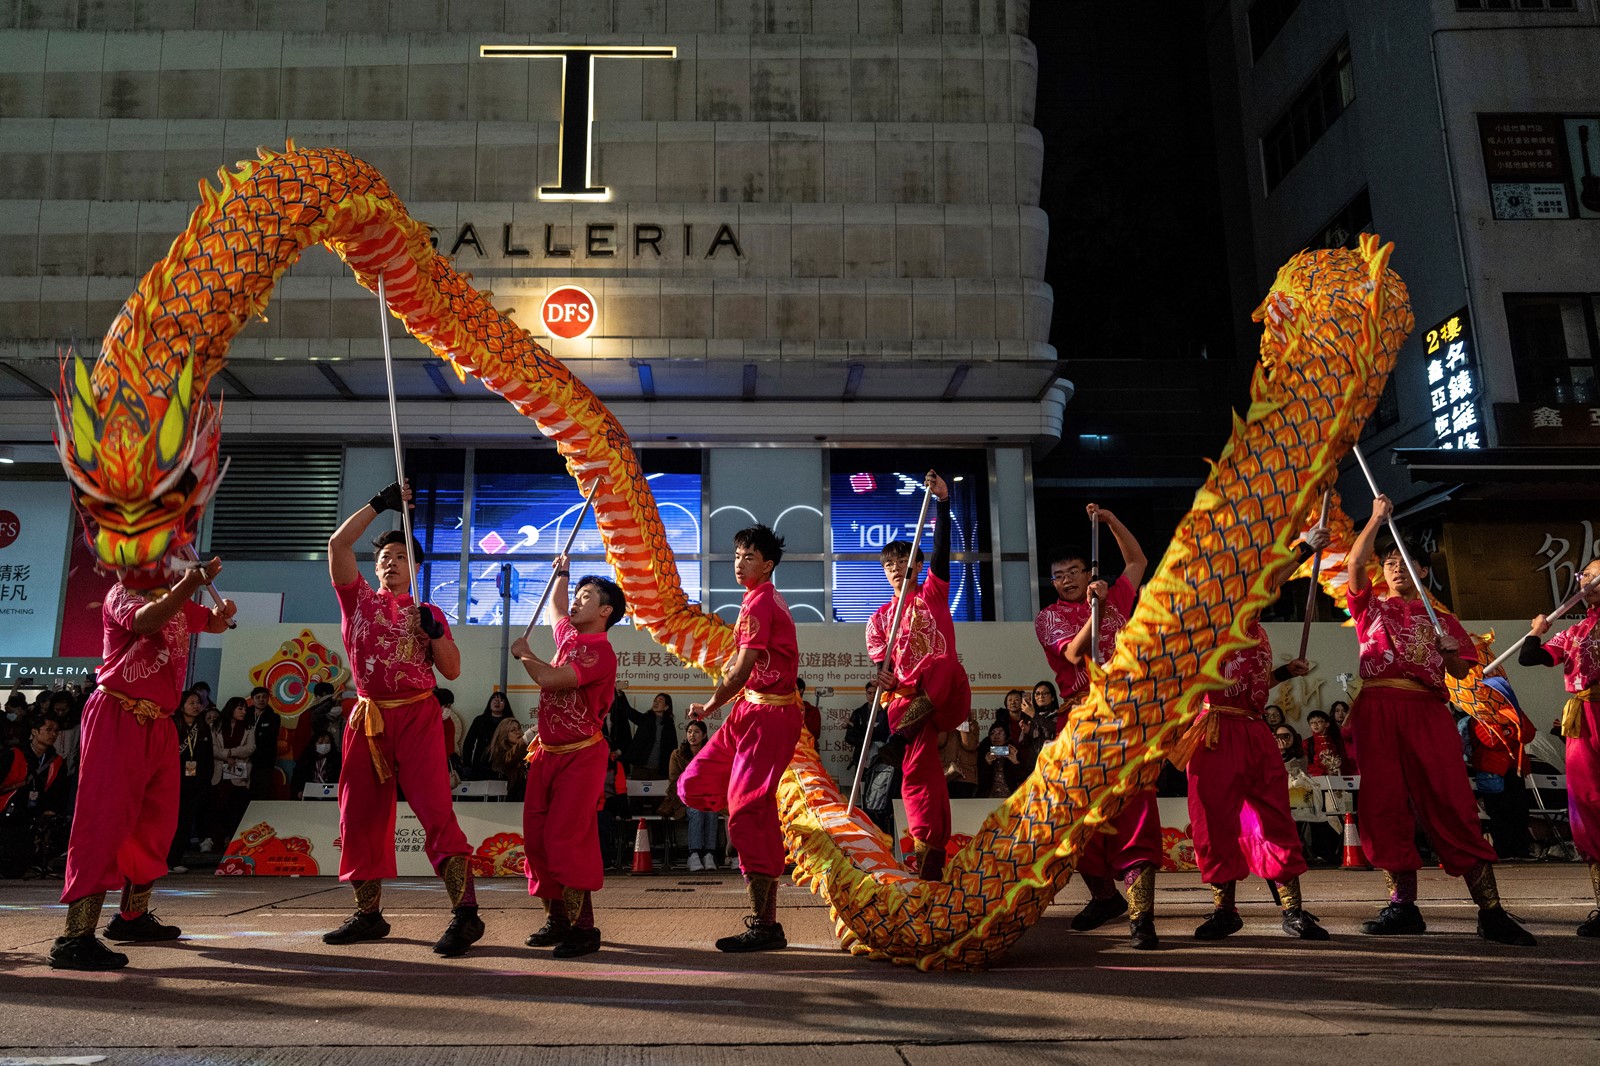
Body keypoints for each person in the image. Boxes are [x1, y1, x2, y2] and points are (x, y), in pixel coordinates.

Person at [1346, 495, 1532, 946]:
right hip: (1376, 709)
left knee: (1451, 802)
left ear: (1423, 572)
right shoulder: (1369, 607)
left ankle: (1491, 910)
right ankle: (1402, 907)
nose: (1394, 568)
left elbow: (1462, 672)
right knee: (1384, 805)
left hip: (1426, 711)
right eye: (1389, 562)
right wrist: (1374, 519)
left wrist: (1452, 658)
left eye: (1405, 562)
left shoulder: (1443, 619)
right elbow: (1354, 565)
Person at [49, 557, 235, 971]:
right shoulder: (122, 596)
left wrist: (223, 615)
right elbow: (148, 622)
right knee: (105, 821)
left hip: (159, 724)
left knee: (155, 823)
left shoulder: (177, 601)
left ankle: (131, 917)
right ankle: (75, 936)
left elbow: (213, 623)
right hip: (118, 714)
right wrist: (190, 584)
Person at [323, 480, 482, 957]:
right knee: (359, 815)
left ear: (416, 567)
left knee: (435, 811)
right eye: (385, 557)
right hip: (369, 719)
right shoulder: (358, 600)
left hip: (417, 716)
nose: (390, 563)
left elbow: (452, 669)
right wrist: (378, 503)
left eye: (400, 557)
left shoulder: (428, 610)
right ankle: (368, 915)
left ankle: (466, 914)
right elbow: (337, 543)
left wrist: (434, 634)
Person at [1037, 504, 1160, 949]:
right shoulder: (1048, 617)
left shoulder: (1116, 597)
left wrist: (1109, 522)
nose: (1066, 579)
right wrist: (1098, 607)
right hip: (1081, 719)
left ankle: (1141, 915)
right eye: (1058, 575)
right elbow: (1073, 655)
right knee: (1080, 815)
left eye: (1073, 571)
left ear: (1087, 570)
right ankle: (1104, 897)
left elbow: (1137, 561)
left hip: (1127, 716)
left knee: (1136, 809)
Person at [678, 525, 802, 952]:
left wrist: (710, 706)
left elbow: (741, 668)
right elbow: (737, 659)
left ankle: (766, 924)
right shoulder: (753, 600)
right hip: (749, 709)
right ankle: (754, 813)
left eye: (748, 557)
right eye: (736, 555)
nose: (738, 562)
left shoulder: (763, 601)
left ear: (767, 565)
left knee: (747, 814)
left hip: (770, 714)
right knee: (693, 783)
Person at [1173, 619, 1330, 942]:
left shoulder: (1259, 632)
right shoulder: (1202, 628)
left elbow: (1255, 685)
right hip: (1214, 731)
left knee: (1276, 819)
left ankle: (1293, 910)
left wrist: (1286, 672)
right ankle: (1224, 912)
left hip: (1255, 730)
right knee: (1213, 824)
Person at [509, 554, 624, 959]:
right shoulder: (571, 638)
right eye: (578, 596)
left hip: (581, 757)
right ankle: (557, 919)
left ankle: (583, 928)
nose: (576, 602)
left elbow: (553, 680)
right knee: (538, 840)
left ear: (605, 611)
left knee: (566, 838)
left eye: (586, 597)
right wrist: (563, 573)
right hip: (546, 754)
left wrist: (525, 654)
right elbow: (556, 606)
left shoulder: (599, 653)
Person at [867, 471, 972, 880]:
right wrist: (882, 679)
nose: (896, 570)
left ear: (918, 567)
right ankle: (931, 855)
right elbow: (884, 670)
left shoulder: (933, 592)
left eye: (903, 563)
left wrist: (944, 503)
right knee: (920, 778)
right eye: (889, 565)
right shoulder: (878, 620)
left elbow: (943, 548)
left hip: (945, 694)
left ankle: (897, 739)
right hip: (906, 703)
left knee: (945, 663)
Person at [1520, 554, 1600, 934]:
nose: (1586, 580)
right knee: (1589, 805)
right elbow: (1528, 657)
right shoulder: (1575, 632)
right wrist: (1538, 628)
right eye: (1586, 575)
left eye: (1595, 575)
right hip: (1585, 720)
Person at [1459, 695, 1535, 862]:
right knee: (1499, 811)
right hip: (1492, 770)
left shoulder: (1514, 711)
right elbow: (1492, 740)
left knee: (1520, 810)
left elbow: (1529, 733)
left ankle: (1521, 849)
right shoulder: (1480, 714)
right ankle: (1504, 850)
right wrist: (1514, 731)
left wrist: (1509, 732)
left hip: (1514, 768)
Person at [168, 689, 212, 873]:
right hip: (171, 781)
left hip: (194, 783)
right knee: (168, 822)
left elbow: (208, 757)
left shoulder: (203, 727)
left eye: (198, 703)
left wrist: (205, 781)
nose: (196, 706)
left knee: (185, 822)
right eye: (191, 703)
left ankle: (175, 859)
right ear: (182, 705)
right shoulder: (171, 725)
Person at [669, 720, 719, 871]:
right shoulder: (677, 754)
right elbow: (674, 780)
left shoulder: (710, 754)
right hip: (685, 797)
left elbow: (713, 779)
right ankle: (694, 854)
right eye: (690, 731)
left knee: (712, 811)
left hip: (706, 796)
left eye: (697, 732)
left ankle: (709, 853)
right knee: (696, 811)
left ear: (704, 735)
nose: (692, 735)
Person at [208, 697, 255, 849]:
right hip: (219, 773)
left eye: (245, 709)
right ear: (231, 709)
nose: (243, 712)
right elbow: (213, 748)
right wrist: (227, 757)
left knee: (237, 807)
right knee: (217, 807)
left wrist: (230, 753)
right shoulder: (216, 726)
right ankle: (217, 840)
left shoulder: (248, 727)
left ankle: (233, 840)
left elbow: (250, 748)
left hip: (238, 773)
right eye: (240, 709)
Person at [621, 692, 677, 780]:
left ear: (666, 707)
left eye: (660, 701)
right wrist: (621, 694)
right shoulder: (645, 719)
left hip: (660, 771)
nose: (656, 703)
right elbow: (628, 711)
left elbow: (673, 747)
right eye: (655, 700)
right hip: (641, 768)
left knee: (657, 793)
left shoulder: (669, 725)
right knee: (637, 793)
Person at [462, 692, 514, 780]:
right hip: (480, 766)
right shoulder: (479, 720)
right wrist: (467, 765)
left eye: (501, 701)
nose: (497, 703)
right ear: (489, 703)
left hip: (502, 767)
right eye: (494, 700)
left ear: (506, 705)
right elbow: (469, 743)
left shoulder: (510, 722)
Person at [246, 687, 280, 800]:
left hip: (264, 762)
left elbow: (268, 739)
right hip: (243, 759)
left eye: (264, 697)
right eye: (258, 697)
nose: (261, 700)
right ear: (252, 699)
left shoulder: (274, 717)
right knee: (243, 792)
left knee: (262, 793)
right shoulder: (245, 714)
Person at [941, 707, 981, 799]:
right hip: (945, 772)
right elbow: (939, 742)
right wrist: (944, 722)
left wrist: (963, 724)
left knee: (964, 810)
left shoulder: (972, 724)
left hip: (965, 775)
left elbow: (969, 745)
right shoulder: (941, 722)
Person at [977, 722, 1024, 798]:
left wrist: (1015, 762)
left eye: (1000, 733)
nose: (996, 736)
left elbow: (1023, 778)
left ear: (1006, 737)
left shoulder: (1013, 751)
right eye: (992, 733)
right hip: (988, 798)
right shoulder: (984, 751)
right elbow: (981, 782)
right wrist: (987, 764)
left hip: (1010, 797)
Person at [488, 716, 529, 801]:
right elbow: (510, 758)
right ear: (505, 734)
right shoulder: (499, 753)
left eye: (519, 729)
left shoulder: (528, 750)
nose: (518, 732)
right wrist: (526, 738)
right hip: (510, 798)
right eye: (513, 730)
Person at [290, 731, 340, 798]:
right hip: (309, 795)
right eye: (320, 743)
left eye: (327, 743)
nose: (324, 745)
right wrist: (299, 791)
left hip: (330, 795)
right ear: (314, 744)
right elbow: (297, 779)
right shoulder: (305, 759)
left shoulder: (337, 759)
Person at [1303, 710, 1345, 776]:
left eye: (1319, 721)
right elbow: (1305, 764)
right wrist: (1324, 772)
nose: (1315, 725)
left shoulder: (1336, 740)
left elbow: (1344, 758)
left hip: (1338, 775)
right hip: (1318, 777)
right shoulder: (1307, 743)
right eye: (1312, 723)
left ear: (1327, 724)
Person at [797, 679, 822, 744]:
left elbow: (815, 734)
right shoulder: (782, 710)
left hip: (807, 751)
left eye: (792, 690)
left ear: (800, 690)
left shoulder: (812, 711)